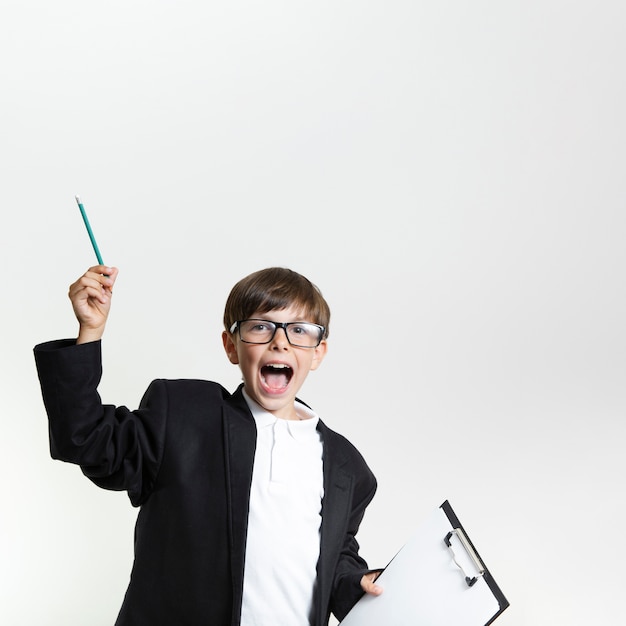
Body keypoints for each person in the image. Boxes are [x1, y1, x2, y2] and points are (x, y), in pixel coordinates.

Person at [34, 264, 382, 626]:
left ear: (318, 352)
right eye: (261, 327)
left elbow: (335, 556)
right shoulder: (185, 416)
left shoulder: (345, 466)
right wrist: (90, 332)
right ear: (231, 346)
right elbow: (86, 438)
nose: (280, 341)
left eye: (299, 330)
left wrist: (354, 583)